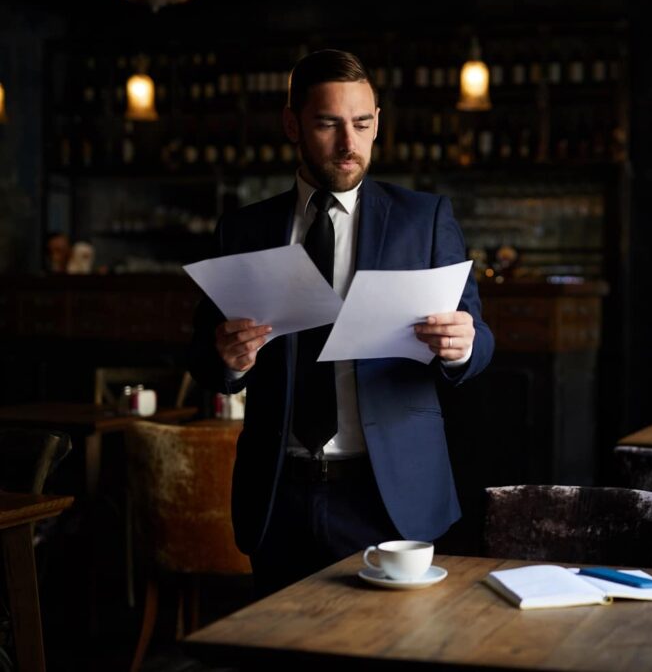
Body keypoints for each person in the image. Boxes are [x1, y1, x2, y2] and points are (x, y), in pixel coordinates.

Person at [188, 49, 494, 596]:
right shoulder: (243, 229)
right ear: (292, 125)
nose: (349, 144)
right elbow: (204, 358)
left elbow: (478, 337)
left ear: (378, 123)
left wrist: (463, 346)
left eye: (361, 124)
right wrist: (226, 360)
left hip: (389, 498)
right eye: (328, 124)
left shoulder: (424, 219)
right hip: (278, 497)